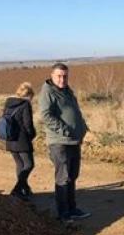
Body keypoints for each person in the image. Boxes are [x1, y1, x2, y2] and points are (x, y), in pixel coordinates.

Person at [38, 62, 91, 221]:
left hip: (74, 140)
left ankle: (72, 208)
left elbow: (75, 112)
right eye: (59, 76)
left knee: (73, 175)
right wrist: (65, 130)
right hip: (59, 142)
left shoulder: (67, 91)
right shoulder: (48, 92)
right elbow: (46, 116)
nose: (62, 79)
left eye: (65, 76)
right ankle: (64, 213)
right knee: (63, 177)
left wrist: (82, 128)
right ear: (52, 76)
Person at [3, 82, 37, 201]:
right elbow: (28, 125)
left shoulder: (8, 103)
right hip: (22, 140)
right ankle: (17, 190)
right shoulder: (25, 105)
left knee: (20, 165)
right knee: (29, 164)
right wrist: (32, 135)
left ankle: (25, 189)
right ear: (29, 95)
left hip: (10, 139)